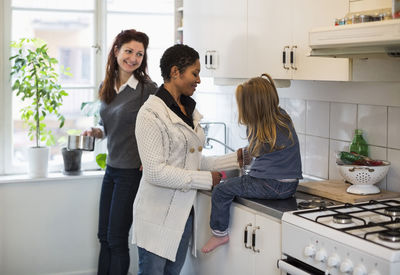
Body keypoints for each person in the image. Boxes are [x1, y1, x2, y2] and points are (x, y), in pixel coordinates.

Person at [131, 44, 241, 275]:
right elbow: (154, 172)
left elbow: (193, 162)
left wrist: (237, 159)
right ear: (175, 72)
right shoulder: (150, 114)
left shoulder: (188, 109)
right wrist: (205, 180)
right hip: (156, 215)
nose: (199, 80)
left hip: (183, 216)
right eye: (195, 73)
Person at [82, 29, 157, 275]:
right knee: (103, 236)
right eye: (128, 51)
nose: (133, 58)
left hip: (131, 173)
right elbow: (111, 126)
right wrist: (97, 131)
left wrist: (151, 157)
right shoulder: (107, 85)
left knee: (116, 238)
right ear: (116, 51)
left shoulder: (147, 88)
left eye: (139, 54)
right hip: (111, 169)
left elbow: (162, 126)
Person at [201, 73, 303, 253]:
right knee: (231, 185)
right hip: (289, 186)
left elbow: (255, 152)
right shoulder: (282, 117)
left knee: (221, 190)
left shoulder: (260, 126)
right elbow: (262, 152)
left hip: (269, 184)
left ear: (252, 108)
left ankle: (219, 234)